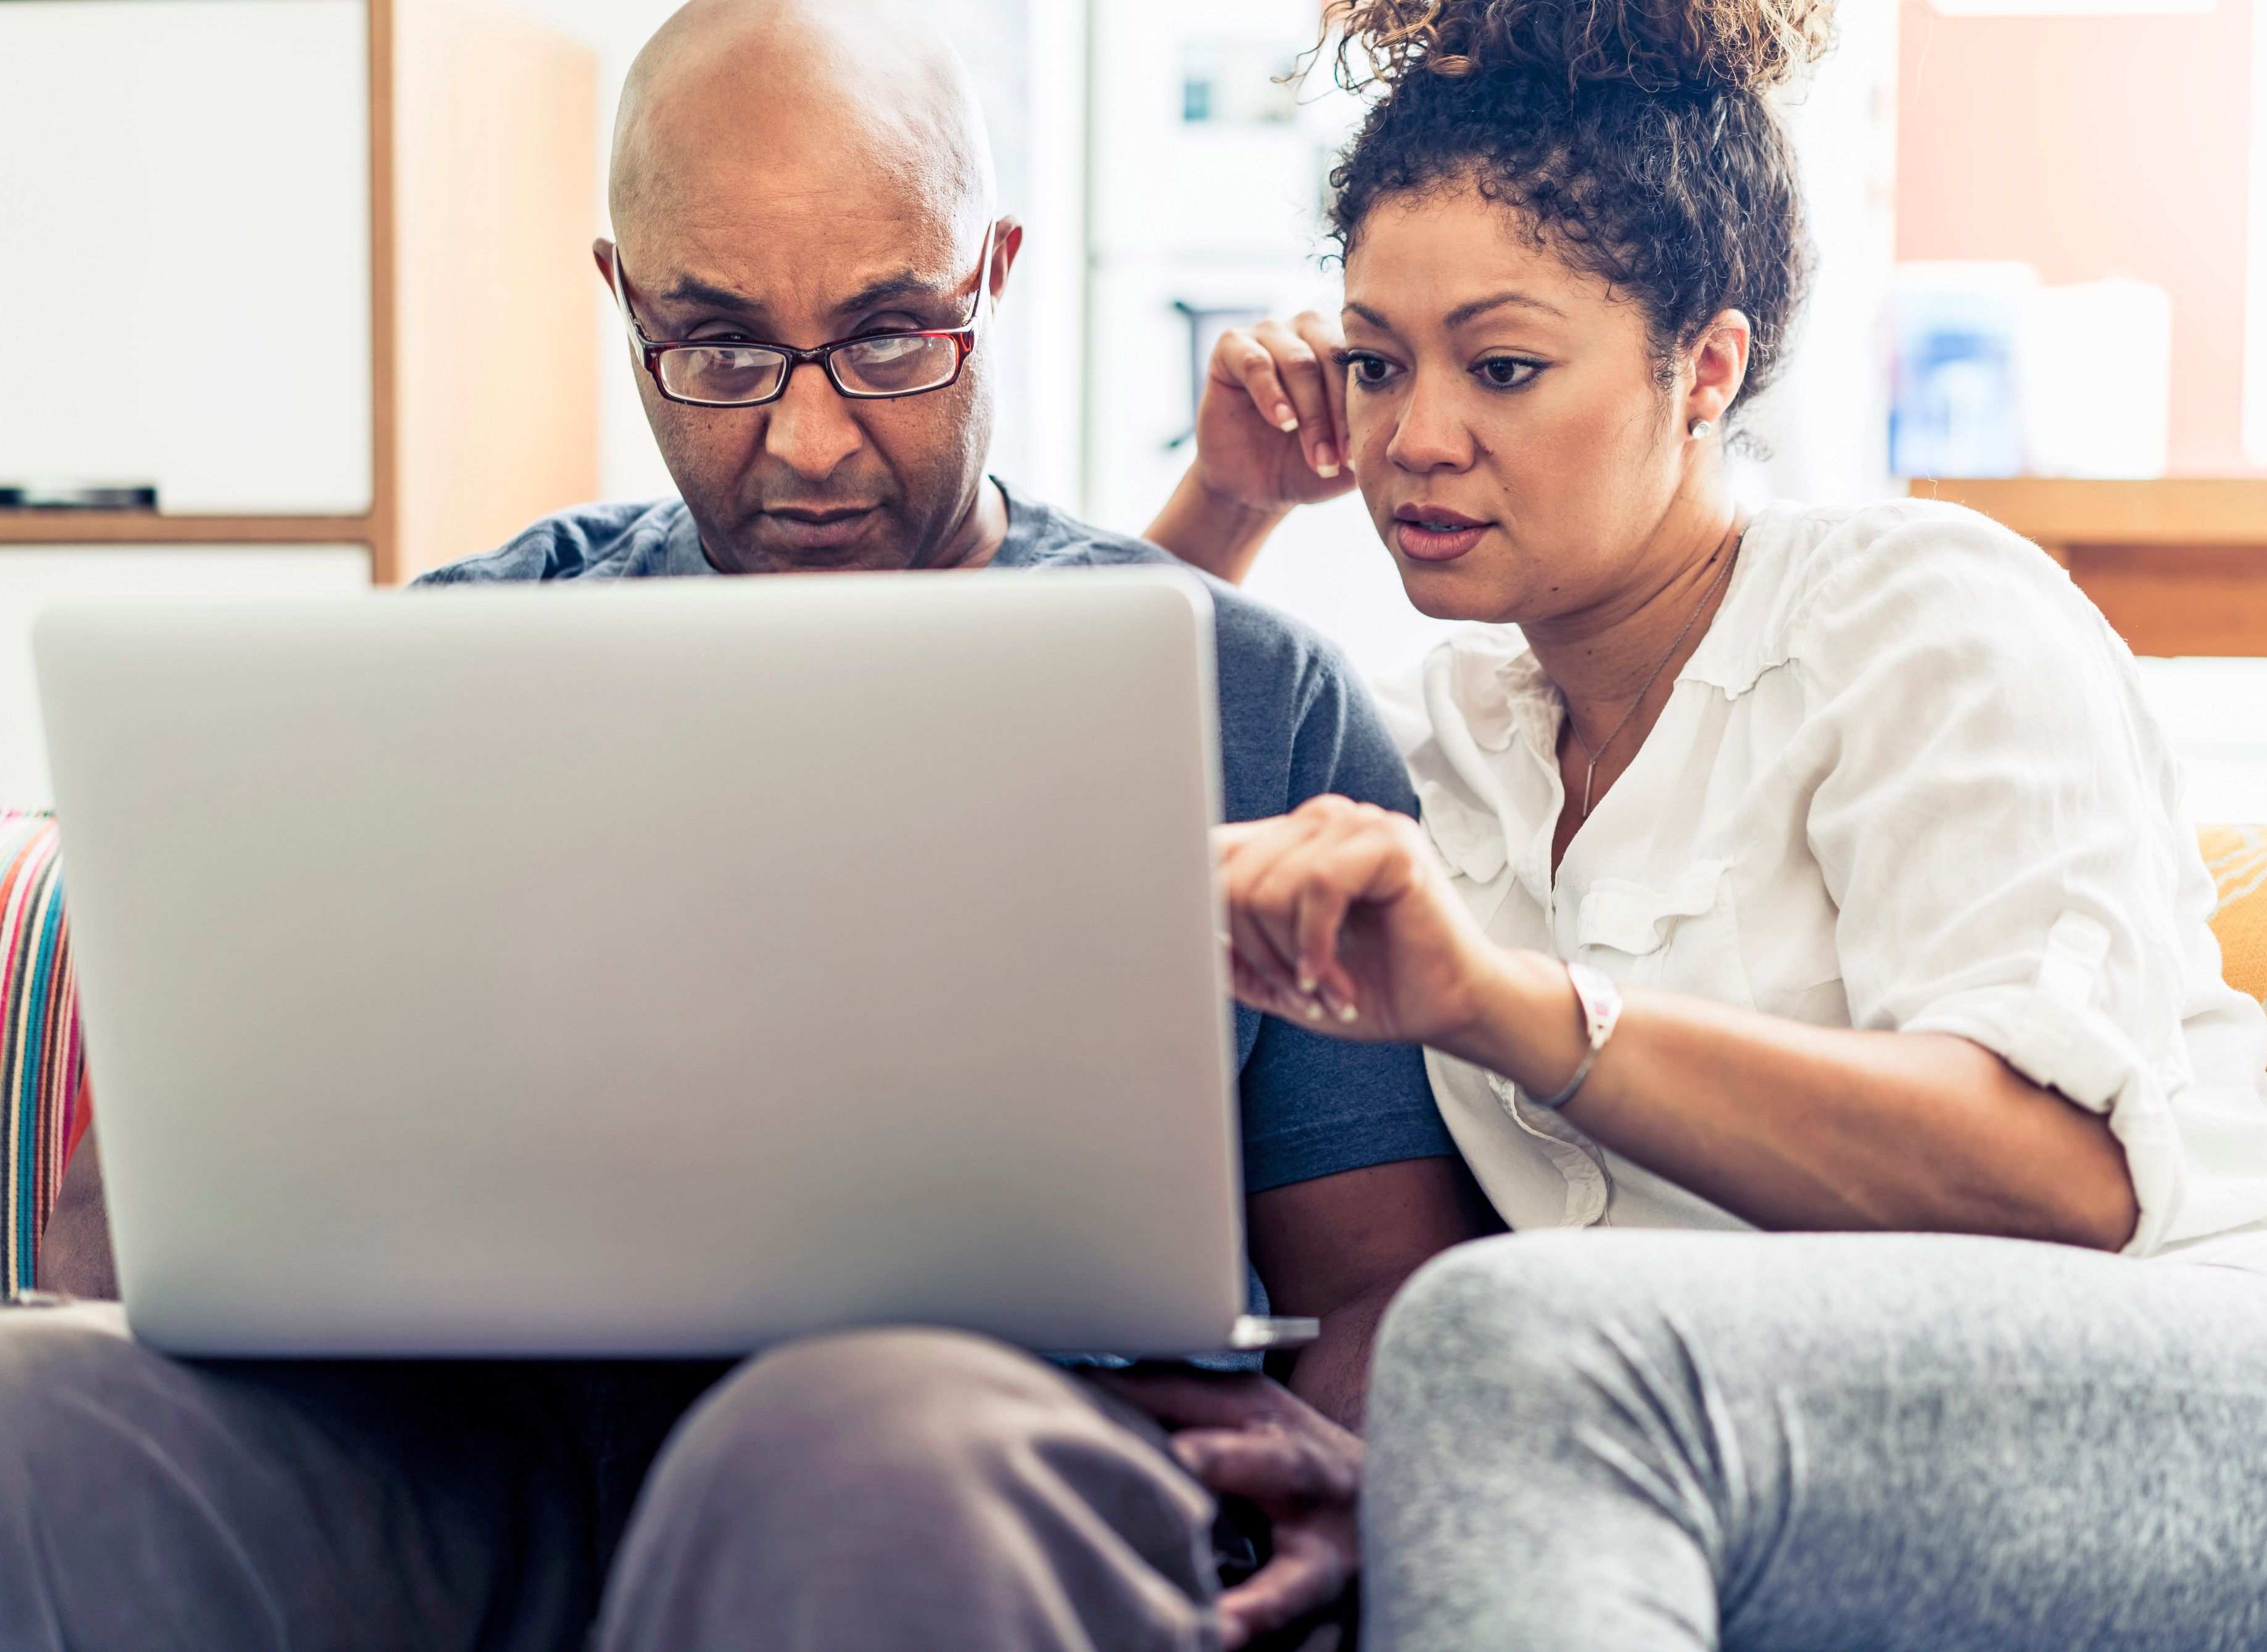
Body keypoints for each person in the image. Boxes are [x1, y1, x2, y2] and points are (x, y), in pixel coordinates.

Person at [0, 3, 1493, 1649]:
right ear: (623, 303)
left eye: (889, 340)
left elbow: (1372, 1278)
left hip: (968, 1468)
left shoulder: (1252, 701)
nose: (808, 441)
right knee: (37, 1419)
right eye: (715, 351)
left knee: (849, 1448)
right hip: (474, 1467)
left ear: (991, 275)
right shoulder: (449, 664)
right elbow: (104, 1252)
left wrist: (1339, 1468)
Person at [1147, 0, 2267, 1646]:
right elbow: (1099, 794)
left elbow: (2062, 1180)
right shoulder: (1454, 744)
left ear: (1704, 369)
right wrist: (1225, 498)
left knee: (1515, 1339)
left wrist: (1510, 1008)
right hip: (1820, 1434)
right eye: (1375, 363)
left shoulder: (1920, 609)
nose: (1413, 439)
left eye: (1502, 366)